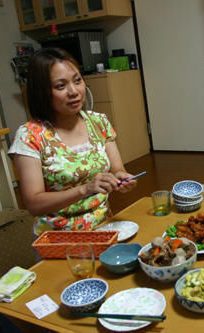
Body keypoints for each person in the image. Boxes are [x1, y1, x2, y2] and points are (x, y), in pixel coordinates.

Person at [9, 48, 137, 235]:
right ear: (42, 92)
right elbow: (34, 204)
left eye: (77, 81)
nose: (74, 91)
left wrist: (122, 179)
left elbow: (117, 170)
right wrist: (85, 189)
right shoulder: (29, 136)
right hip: (58, 238)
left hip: (105, 226)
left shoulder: (98, 122)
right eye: (61, 86)